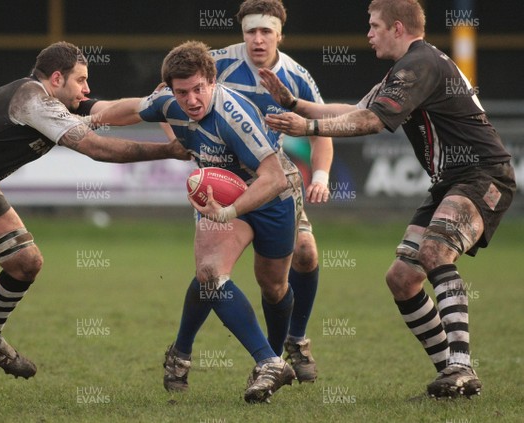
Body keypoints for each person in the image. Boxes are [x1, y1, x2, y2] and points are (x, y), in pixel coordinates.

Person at [262, 0, 515, 399]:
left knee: (434, 253)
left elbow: (372, 122)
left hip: (483, 174)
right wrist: (293, 105)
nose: (368, 33)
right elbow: (355, 110)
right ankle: (452, 379)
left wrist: (307, 125)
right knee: (401, 278)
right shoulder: (408, 68)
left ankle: (462, 367)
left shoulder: (421, 63)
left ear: (398, 28)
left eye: (374, 25)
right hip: (451, 181)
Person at [0, 41, 188, 400]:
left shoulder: (55, 103)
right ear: (57, 78)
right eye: (81, 80)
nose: (87, 89)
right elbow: (97, 148)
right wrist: (168, 152)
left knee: (25, 261)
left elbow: (110, 110)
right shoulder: (33, 100)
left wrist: (152, 104)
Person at [93, 40, 304, 403]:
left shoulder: (234, 117)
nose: (190, 100)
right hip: (220, 197)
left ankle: (267, 362)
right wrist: (89, 117)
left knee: (274, 286)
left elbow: (275, 178)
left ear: (212, 80)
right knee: (210, 273)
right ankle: (264, 362)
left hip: (270, 196)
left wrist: (231, 212)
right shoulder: (167, 102)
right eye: (181, 92)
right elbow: (130, 108)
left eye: (198, 89)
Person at [209, 0, 331, 383]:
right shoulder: (217, 63)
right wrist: (182, 142)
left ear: (280, 33)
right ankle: (182, 353)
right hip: (225, 180)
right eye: (250, 31)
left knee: (305, 255)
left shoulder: (296, 76)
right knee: (210, 271)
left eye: (266, 31)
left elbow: (322, 129)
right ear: (241, 32)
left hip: (275, 177)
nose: (257, 40)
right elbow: (168, 90)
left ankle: (295, 340)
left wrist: (322, 176)